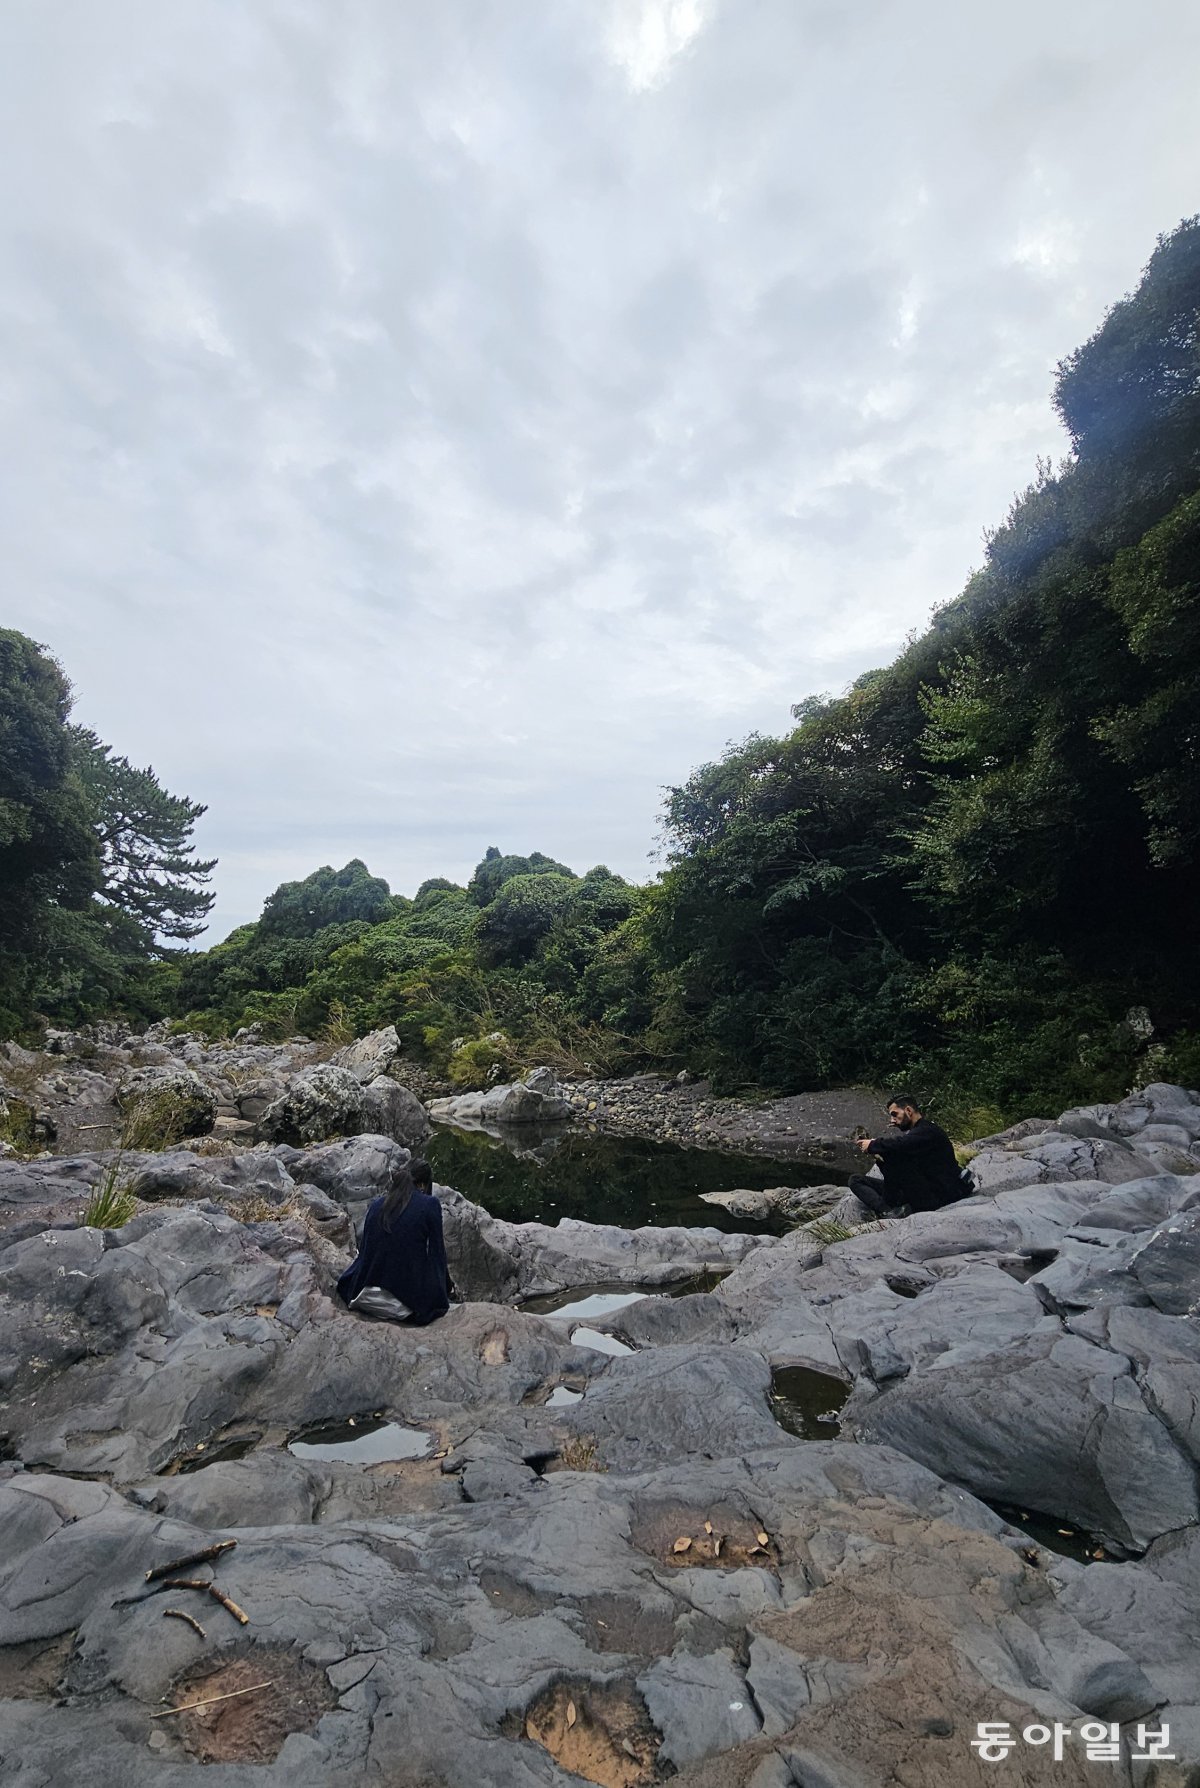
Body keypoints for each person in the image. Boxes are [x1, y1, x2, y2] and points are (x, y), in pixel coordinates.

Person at [336, 1158, 451, 1325]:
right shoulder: (429, 1204)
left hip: (362, 1297)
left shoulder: (376, 1205)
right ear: (422, 1185)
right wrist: (446, 1290)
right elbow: (437, 1256)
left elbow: (365, 1254)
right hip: (402, 1307)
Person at [849, 1094, 971, 1218]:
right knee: (856, 1180)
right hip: (921, 1189)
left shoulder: (928, 1131)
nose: (892, 1120)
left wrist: (873, 1145)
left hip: (939, 1194)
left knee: (895, 1156)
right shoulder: (917, 1134)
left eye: (894, 1114)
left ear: (908, 1110)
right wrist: (878, 1155)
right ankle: (889, 1210)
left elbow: (900, 1145)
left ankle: (887, 1210)